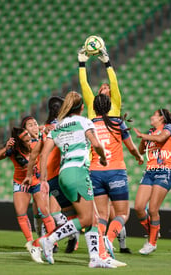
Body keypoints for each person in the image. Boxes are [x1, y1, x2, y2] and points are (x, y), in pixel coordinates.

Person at [35, 91, 115, 268]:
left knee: (92, 217)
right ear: (82, 108)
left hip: (63, 174)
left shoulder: (58, 126)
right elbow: (96, 144)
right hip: (78, 172)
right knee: (86, 219)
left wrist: (43, 181)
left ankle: (95, 258)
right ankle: (49, 240)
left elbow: (43, 155)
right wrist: (102, 158)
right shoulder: (84, 121)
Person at [89, 94, 144, 259]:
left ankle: (100, 250)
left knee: (102, 216)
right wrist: (138, 157)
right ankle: (109, 239)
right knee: (122, 213)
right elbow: (132, 148)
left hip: (95, 172)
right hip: (115, 172)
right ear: (109, 106)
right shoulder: (117, 123)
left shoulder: (89, 124)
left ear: (94, 108)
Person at [22, 96, 79, 253]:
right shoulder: (60, 127)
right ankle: (57, 239)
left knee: (46, 212)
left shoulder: (48, 128)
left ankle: (54, 240)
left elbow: (35, 153)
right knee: (47, 211)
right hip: (55, 173)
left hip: (47, 174)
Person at [0, 126, 55, 263]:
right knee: (21, 213)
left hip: (36, 181)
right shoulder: (13, 151)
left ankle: (51, 241)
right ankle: (31, 243)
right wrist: (6, 148)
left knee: (45, 212)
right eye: (26, 140)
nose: (29, 141)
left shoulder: (35, 144)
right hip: (21, 183)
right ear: (19, 142)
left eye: (29, 139)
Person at [133, 108, 171, 255]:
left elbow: (161, 139)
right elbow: (142, 150)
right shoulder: (150, 132)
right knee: (139, 207)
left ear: (161, 118)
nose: (151, 117)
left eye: (154, 115)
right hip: (150, 172)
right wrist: (144, 138)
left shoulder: (167, 128)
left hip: (164, 171)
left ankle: (152, 242)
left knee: (153, 209)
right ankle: (154, 231)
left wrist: (144, 135)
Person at [78, 46, 121, 119]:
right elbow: (83, 83)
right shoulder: (92, 102)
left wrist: (107, 63)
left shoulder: (115, 102)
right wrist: (81, 63)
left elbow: (113, 82)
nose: (103, 88)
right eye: (102, 87)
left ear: (111, 92)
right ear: (98, 92)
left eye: (106, 87)